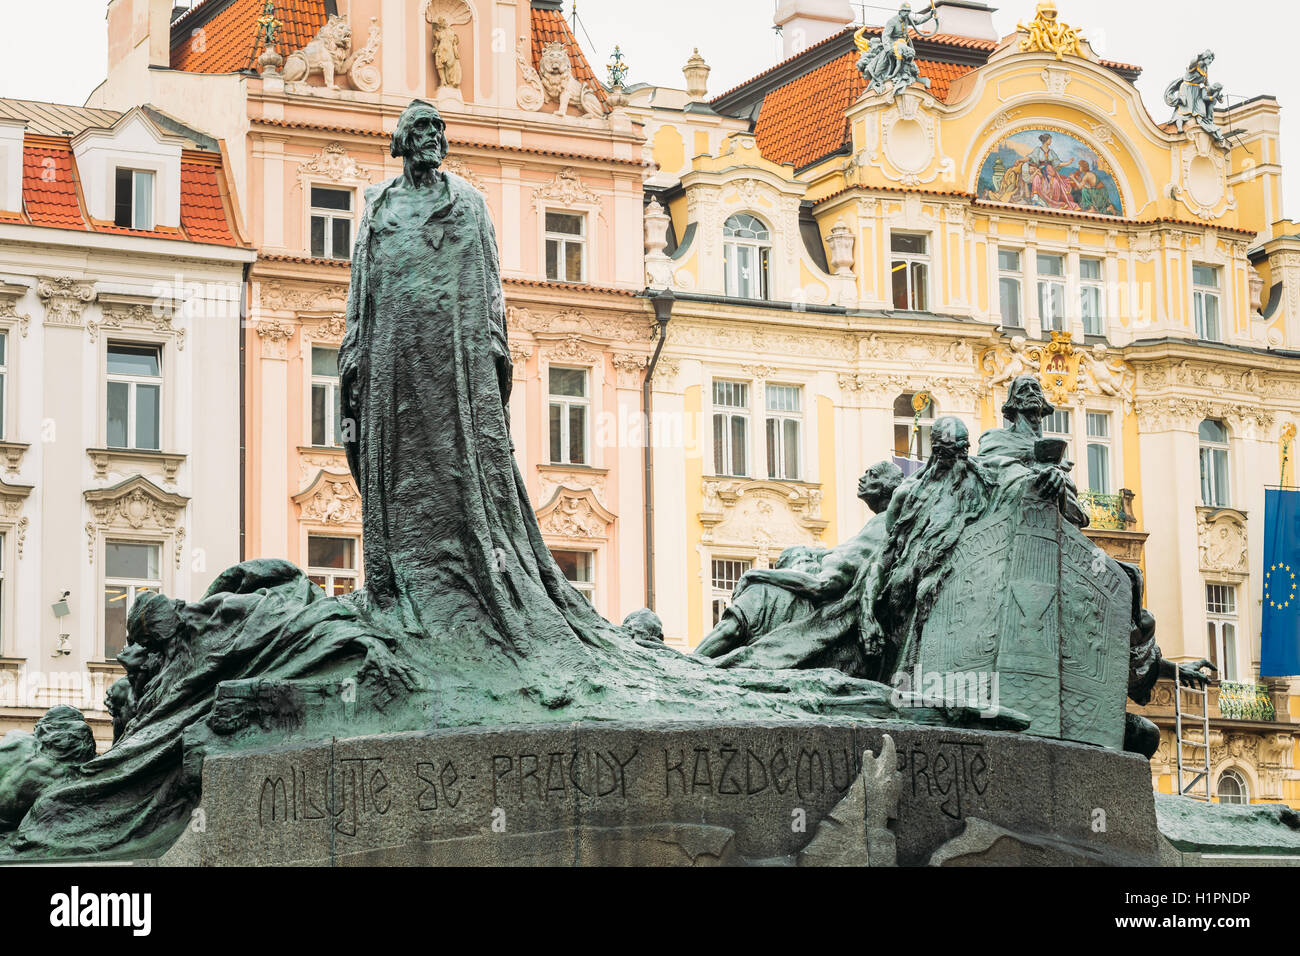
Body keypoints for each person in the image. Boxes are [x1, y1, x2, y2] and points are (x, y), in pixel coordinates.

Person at [697, 461, 905, 676]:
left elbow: (823, 585)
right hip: (818, 594)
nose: (862, 479)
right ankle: (695, 663)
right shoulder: (875, 526)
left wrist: (756, 574)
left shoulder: (886, 525)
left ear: (886, 485)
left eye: (871, 475)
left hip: (824, 595)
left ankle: (693, 664)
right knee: (753, 604)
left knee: (756, 598)